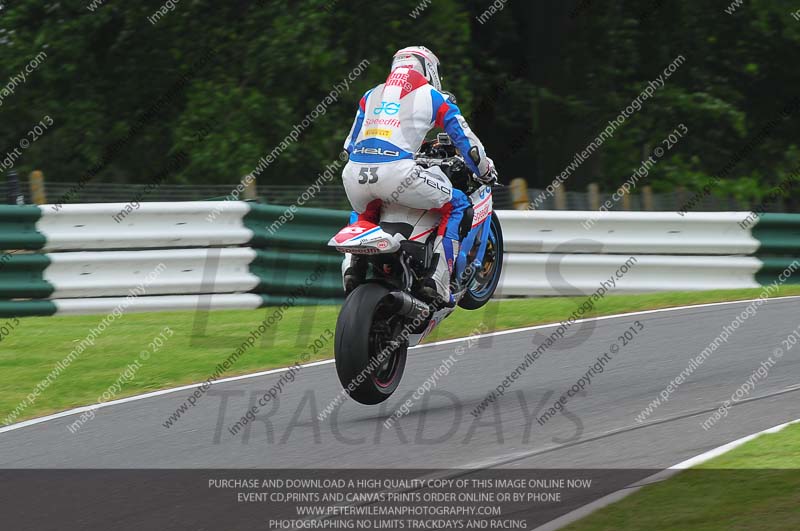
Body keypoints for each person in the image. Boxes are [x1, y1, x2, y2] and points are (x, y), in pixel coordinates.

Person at [341, 45, 496, 304]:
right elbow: (468, 145)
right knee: (458, 204)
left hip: (354, 176)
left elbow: (348, 146)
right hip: (397, 175)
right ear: (428, 69)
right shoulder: (434, 96)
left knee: (365, 210)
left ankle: (351, 267)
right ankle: (436, 279)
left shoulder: (370, 95)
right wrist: (485, 170)